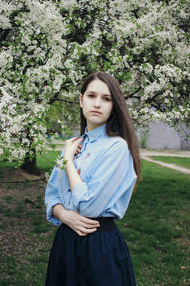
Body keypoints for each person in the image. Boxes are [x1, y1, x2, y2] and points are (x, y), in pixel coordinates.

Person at [45, 72, 141, 286]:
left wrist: (68, 161)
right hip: (66, 242)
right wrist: (64, 215)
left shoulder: (116, 147)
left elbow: (88, 207)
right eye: (91, 96)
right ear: (81, 100)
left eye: (106, 99)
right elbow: (51, 195)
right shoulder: (73, 144)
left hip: (99, 245)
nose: (97, 103)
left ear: (114, 105)